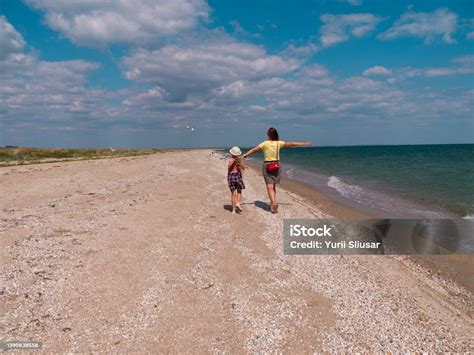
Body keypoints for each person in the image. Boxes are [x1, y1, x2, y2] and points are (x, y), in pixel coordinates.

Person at [242, 127, 311, 213]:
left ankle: (273, 203)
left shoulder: (265, 143)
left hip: (267, 166)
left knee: (269, 186)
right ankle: (272, 203)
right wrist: (304, 143)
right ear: (276, 134)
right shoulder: (279, 143)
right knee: (273, 186)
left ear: (268, 135)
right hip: (276, 165)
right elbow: (292, 143)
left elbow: (254, 150)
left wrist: (244, 155)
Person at [227, 146, 247, 214]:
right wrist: (244, 166)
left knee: (233, 194)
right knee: (239, 191)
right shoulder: (239, 160)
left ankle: (233, 210)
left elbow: (229, 169)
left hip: (231, 177)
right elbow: (242, 168)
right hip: (237, 176)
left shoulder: (230, 160)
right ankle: (238, 203)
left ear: (232, 153)